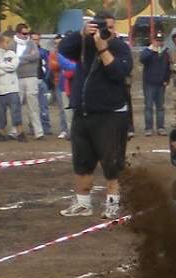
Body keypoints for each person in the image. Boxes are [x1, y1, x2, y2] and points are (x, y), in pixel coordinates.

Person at [58, 11, 133, 219]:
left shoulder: (120, 47)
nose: (104, 31)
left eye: (108, 27)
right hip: (82, 113)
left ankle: (113, 203)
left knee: (112, 161)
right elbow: (63, 49)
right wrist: (81, 34)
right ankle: (83, 204)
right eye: (100, 26)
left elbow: (118, 73)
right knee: (82, 161)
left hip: (109, 115)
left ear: (114, 28)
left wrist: (103, 49)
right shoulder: (84, 44)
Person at [0, 34, 26, 142]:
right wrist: (4, 69)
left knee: (16, 112)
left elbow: (13, 66)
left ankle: (20, 133)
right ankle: (2, 134)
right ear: (0, 43)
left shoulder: (13, 54)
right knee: (0, 113)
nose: (8, 44)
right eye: (6, 42)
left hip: (12, 88)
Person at [9, 23, 43, 139]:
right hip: (16, 78)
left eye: (27, 33)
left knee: (33, 105)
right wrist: (26, 58)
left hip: (31, 77)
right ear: (18, 33)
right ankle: (15, 131)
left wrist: (19, 58)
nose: (26, 35)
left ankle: (38, 131)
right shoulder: (12, 44)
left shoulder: (31, 43)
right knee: (16, 105)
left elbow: (36, 56)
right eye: (24, 33)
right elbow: (11, 59)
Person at [140, 32, 170, 136]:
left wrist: (166, 79)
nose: (159, 42)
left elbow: (167, 67)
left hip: (161, 84)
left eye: (160, 40)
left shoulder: (165, 52)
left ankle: (160, 127)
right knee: (148, 106)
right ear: (153, 41)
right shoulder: (147, 51)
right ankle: (148, 128)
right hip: (149, 83)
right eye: (157, 40)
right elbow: (142, 59)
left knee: (160, 107)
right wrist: (151, 51)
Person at [48, 34, 76, 139]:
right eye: (56, 44)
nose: (57, 46)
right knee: (64, 110)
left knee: (72, 111)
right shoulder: (55, 54)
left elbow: (71, 70)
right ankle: (67, 131)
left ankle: (73, 132)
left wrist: (63, 68)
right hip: (61, 85)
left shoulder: (71, 54)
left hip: (72, 86)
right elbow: (52, 65)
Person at [30, 31, 52, 135]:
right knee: (32, 106)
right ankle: (33, 127)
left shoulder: (44, 52)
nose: (36, 41)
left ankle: (46, 126)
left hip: (40, 81)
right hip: (29, 81)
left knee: (43, 105)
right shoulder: (26, 52)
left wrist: (45, 80)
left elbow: (48, 67)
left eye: (37, 39)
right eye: (34, 39)